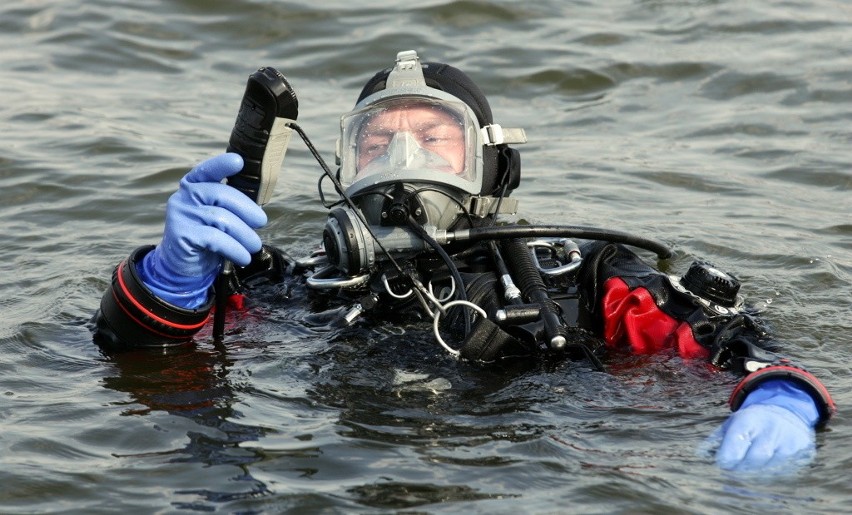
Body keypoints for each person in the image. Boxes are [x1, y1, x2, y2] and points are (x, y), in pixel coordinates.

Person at [92, 50, 835, 472]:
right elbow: (144, 367)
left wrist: (779, 393)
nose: (402, 159)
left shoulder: (580, 279)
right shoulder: (303, 290)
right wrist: (166, 281)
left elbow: (713, 338)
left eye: (434, 137)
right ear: (342, 167)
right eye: (377, 141)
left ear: (490, 167)